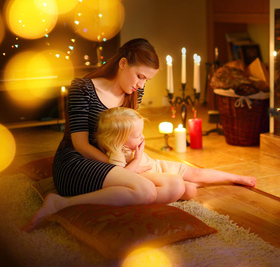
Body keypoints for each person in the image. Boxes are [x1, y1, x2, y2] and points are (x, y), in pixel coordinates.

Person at [24, 38, 187, 231]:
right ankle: (60, 203)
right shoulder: (82, 88)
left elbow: (125, 137)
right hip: (78, 161)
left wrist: (130, 165)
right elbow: (80, 144)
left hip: (115, 163)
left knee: (175, 186)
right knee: (146, 190)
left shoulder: (134, 93)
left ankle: (124, 194)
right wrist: (119, 168)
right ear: (123, 63)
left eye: (146, 80)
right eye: (140, 76)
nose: (141, 85)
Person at [96, 107, 257, 200]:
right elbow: (120, 178)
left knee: (196, 172)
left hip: (160, 167)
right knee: (190, 191)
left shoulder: (123, 145)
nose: (142, 137)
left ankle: (234, 178)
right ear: (119, 140)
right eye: (138, 136)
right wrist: (137, 159)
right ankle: (192, 184)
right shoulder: (116, 152)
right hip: (156, 181)